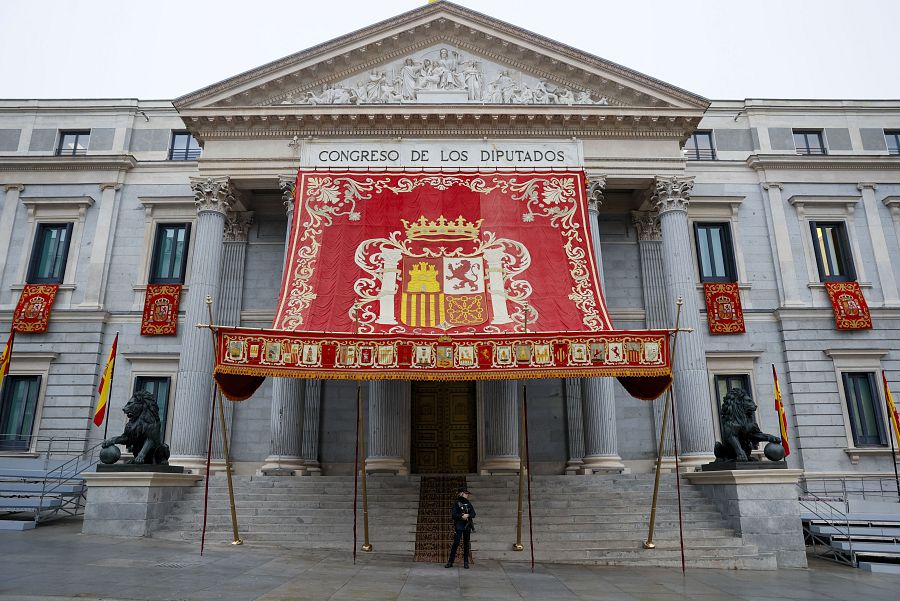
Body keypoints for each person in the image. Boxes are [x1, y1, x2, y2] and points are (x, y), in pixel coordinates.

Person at [445, 486, 476, 569]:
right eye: (466, 493)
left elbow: (474, 514)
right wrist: (462, 516)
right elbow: (453, 515)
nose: (467, 495)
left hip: (467, 526)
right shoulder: (456, 503)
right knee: (456, 543)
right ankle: (450, 562)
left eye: (467, 494)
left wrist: (468, 515)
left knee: (466, 544)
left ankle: (466, 562)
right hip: (459, 526)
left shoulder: (469, 503)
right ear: (461, 493)